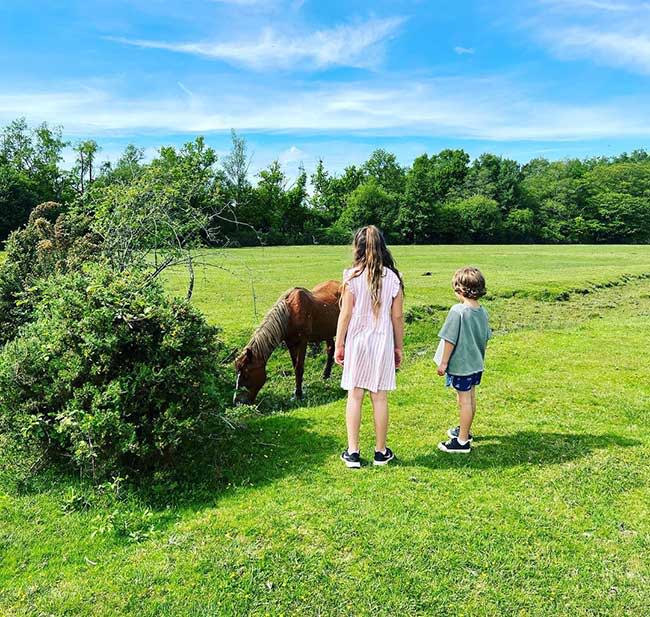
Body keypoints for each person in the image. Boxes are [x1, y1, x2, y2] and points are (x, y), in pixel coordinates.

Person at [335, 225, 404, 468]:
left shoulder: (351, 277)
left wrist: (338, 343)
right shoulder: (393, 278)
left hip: (356, 341)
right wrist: (399, 347)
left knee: (355, 396)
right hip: (382, 342)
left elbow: (345, 314)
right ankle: (380, 452)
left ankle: (353, 452)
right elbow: (397, 317)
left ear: (358, 248)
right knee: (380, 397)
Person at [435, 267, 491, 454]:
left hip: (462, 366)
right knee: (470, 398)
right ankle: (465, 429)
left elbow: (449, 340)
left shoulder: (457, 311)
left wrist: (443, 363)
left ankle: (462, 441)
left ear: (459, 290)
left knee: (464, 401)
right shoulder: (482, 312)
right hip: (476, 365)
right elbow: (485, 337)